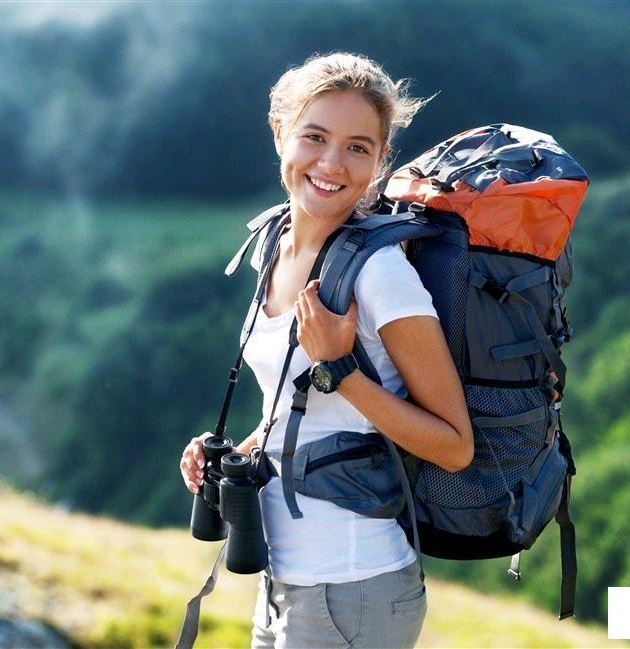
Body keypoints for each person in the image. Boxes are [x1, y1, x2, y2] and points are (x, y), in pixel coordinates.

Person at [179, 52, 472, 649]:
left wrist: (341, 369)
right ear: (280, 132)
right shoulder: (273, 244)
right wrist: (239, 450)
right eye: (315, 136)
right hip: (285, 580)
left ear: (380, 160)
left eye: (359, 148)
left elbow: (454, 446)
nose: (332, 163)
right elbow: (295, 408)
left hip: (354, 587)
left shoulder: (381, 275)